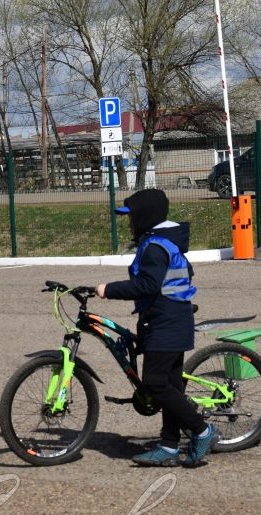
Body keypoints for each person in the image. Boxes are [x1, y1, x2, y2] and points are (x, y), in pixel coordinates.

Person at [96, 188, 217, 467]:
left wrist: (107, 289)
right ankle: (169, 445)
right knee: (172, 386)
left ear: (145, 217)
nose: (129, 223)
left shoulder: (155, 247)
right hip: (169, 320)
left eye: (131, 217)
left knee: (155, 384)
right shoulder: (161, 242)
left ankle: (202, 430)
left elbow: (148, 285)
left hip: (167, 324)